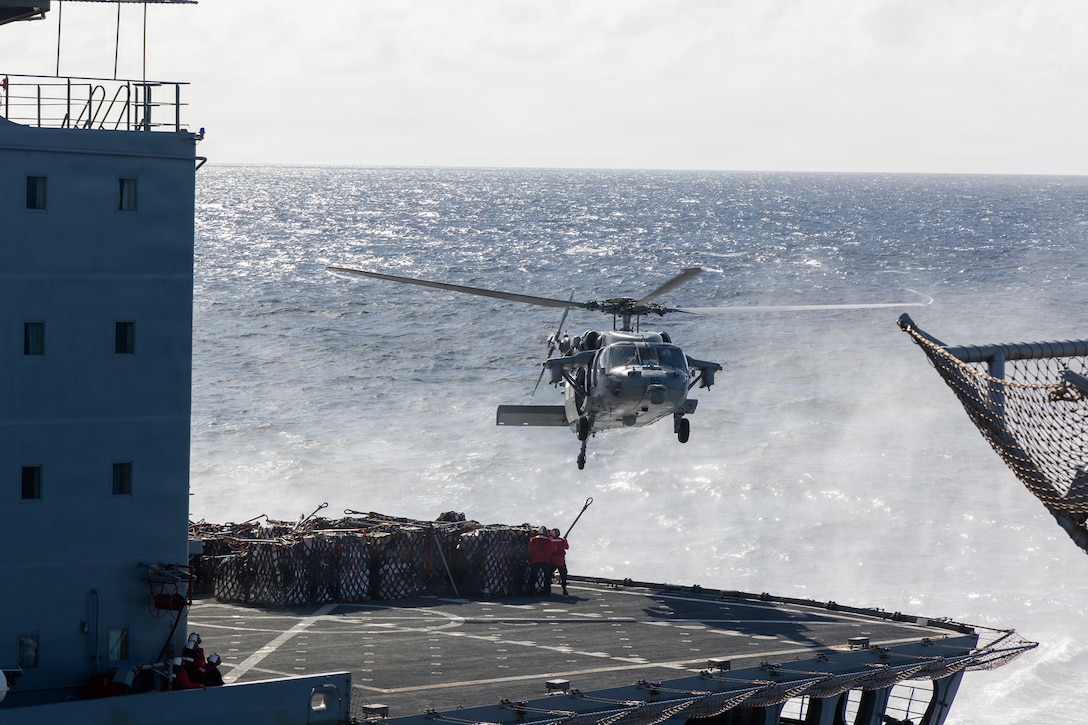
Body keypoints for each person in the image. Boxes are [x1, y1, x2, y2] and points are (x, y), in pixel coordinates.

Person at [527, 526, 556, 595]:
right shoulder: (548, 541)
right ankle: (547, 591)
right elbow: (554, 549)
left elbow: (529, 549)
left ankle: (531, 591)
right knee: (547, 576)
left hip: (535, 560)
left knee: (533, 576)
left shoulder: (533, 540)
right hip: (545, 561)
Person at [550, 528, 569, 596]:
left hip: (552, 560)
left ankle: (547, 588)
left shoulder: (550, 540)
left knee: (548, 574)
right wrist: (565, 540)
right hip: (560, 560)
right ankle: (564, 589)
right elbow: (566, 547)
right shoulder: (562, 540)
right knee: (563, 574)